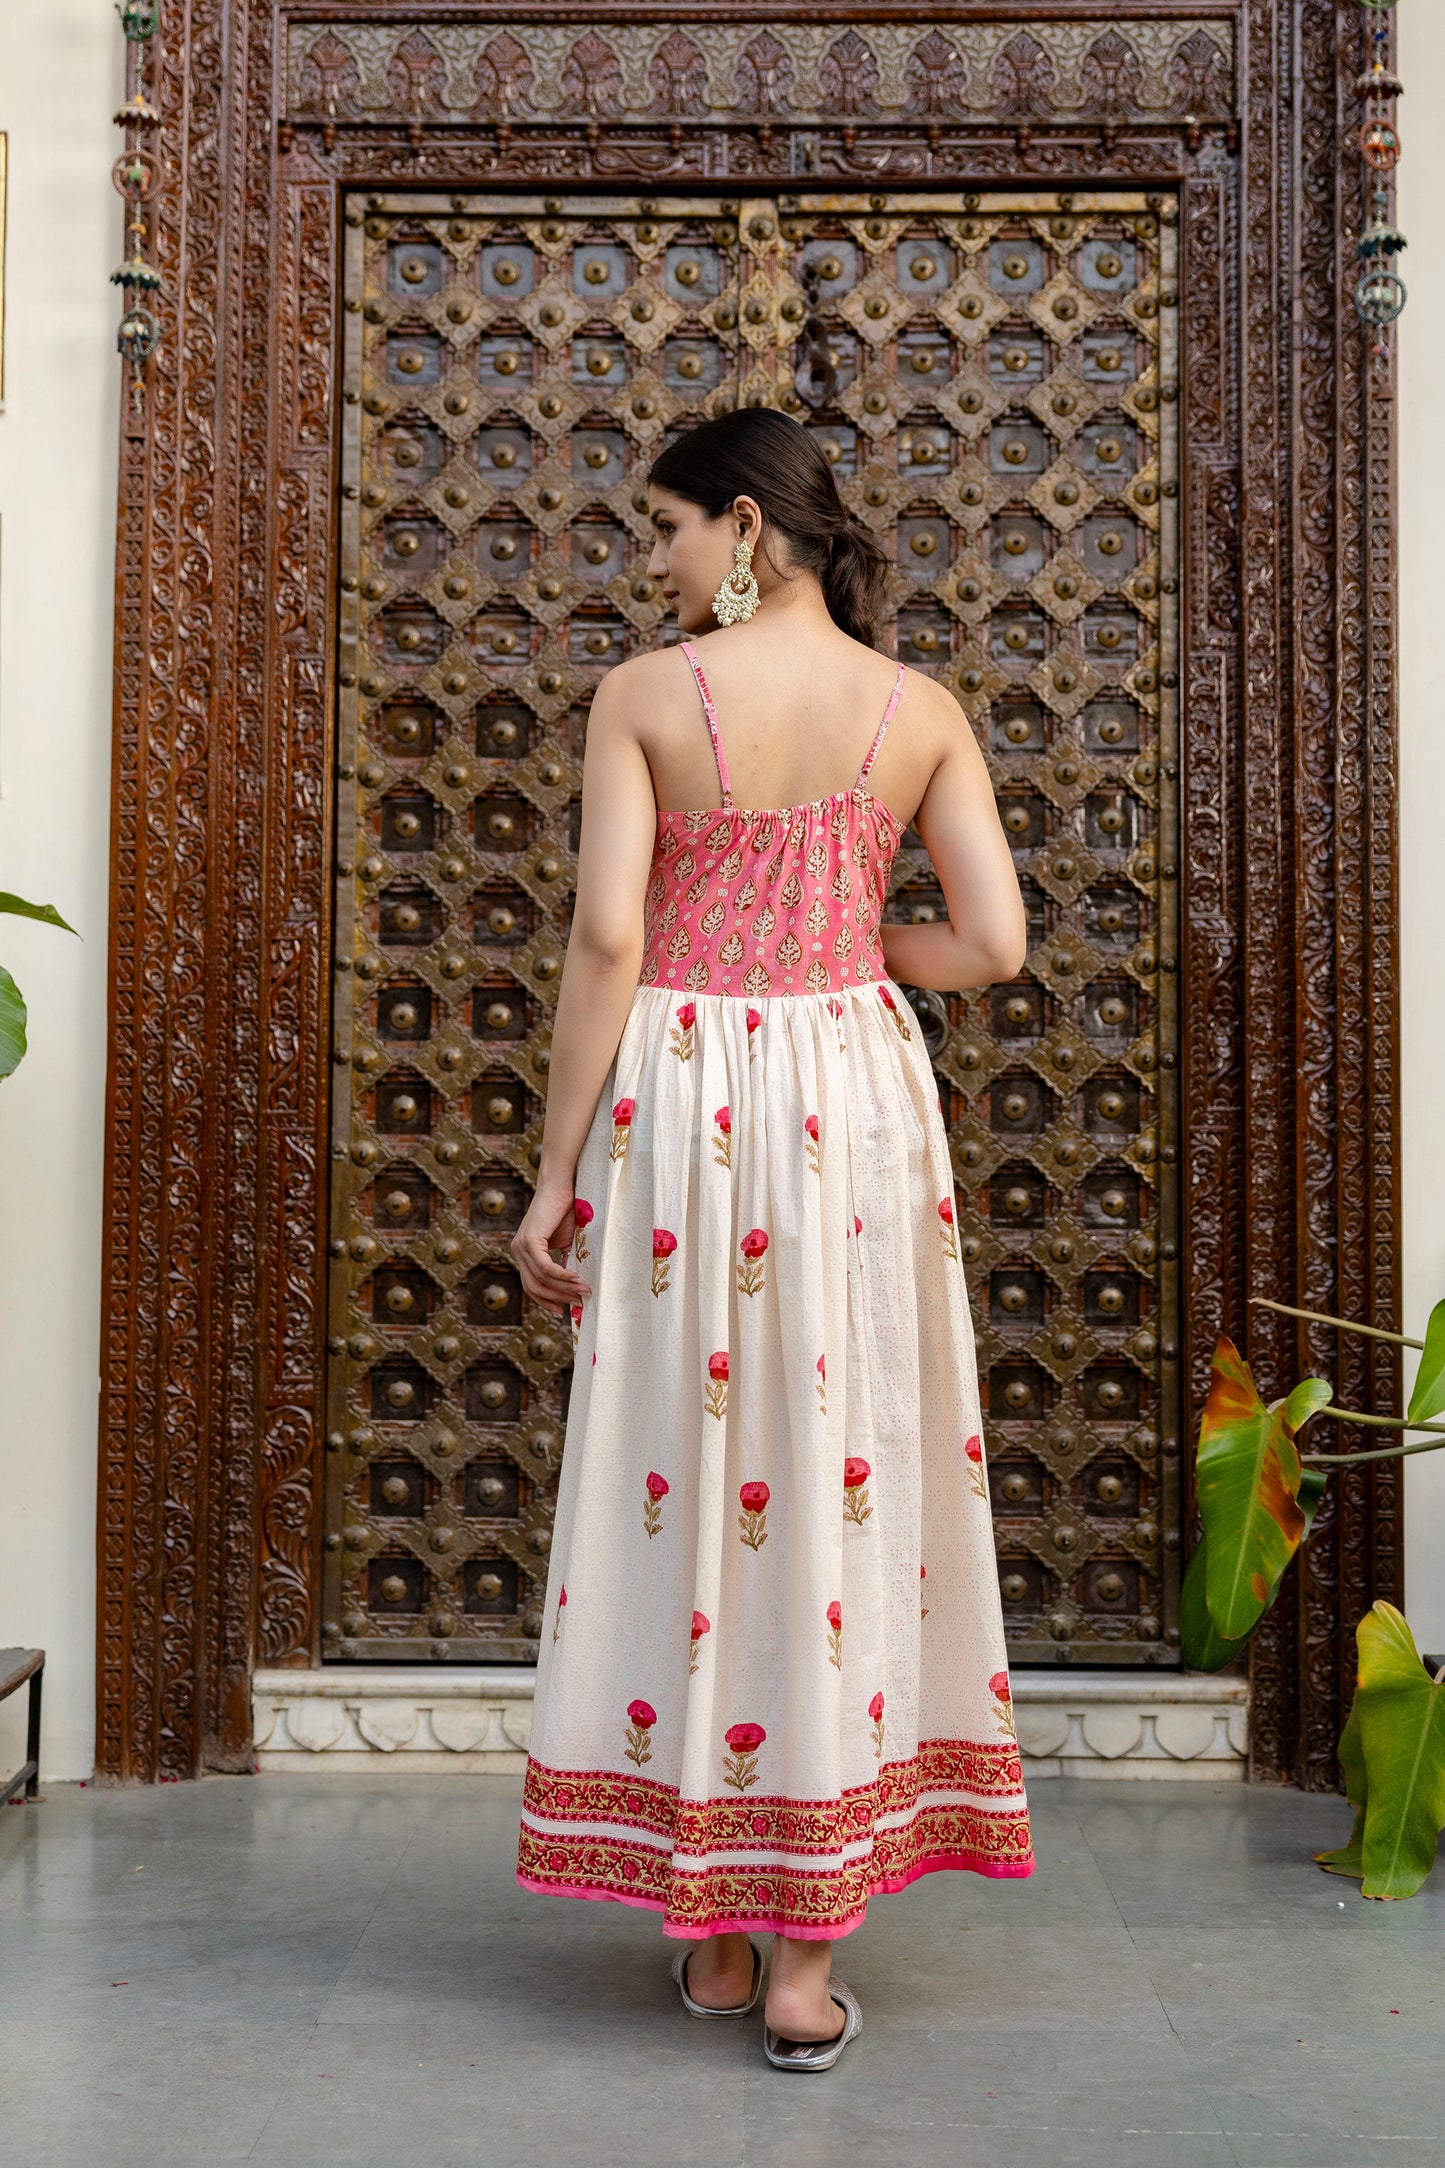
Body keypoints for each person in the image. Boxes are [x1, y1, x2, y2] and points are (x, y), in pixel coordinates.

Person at [512, 406, 1034, 2071]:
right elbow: (995, 945)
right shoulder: (919, 709)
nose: (650, 560)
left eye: (663, 527)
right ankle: (808, 1966)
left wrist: (554, 1171)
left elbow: (606, 937)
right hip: (851, 1094)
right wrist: (841, 946)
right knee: (839, 1468)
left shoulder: (650, 699)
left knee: (690, 1469)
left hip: (687, 1100)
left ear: (742, 527)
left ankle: (722, 1942)